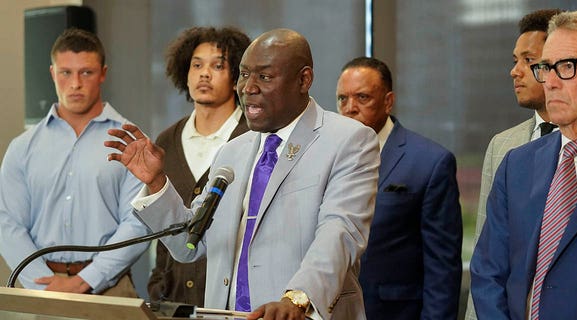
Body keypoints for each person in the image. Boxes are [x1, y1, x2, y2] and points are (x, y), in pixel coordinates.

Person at [105, 28, 379, 320]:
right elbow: (191, 244)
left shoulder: (348, 140)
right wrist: (157, 183)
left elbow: (340, 232)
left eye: (264, 76)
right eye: (244, 74)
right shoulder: (231, 152)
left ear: (304, 80)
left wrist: (297, 299)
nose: (248, 87)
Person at [471, 10, 577, 319]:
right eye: (545, 67)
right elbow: (487, 271)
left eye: (566, 66)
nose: (549, 81)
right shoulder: (516, 164)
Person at [0, 28, 148, 296]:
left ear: (102, 73)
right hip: (41, 289)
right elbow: (6, 222)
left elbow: (139, 221)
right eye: (66, 72)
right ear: (52, 73)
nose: (75, 83)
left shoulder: (131, 142)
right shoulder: (22, 147)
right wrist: (42, 282)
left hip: (110, 286)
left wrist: (86, 280)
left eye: (86, 72)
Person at [336, 56, 462, 319]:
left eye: (362, 98)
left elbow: (442, 268)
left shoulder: (430, 162)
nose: (350, 108)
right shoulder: (324, 158)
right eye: (342, 99)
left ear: (388, 101)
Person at [464, 9, 562, 319]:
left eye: (528, 61)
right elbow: (485, 252)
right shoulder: (502, 145)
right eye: (514, 60)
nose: (514, 71)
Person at [147, 26, 250, 307]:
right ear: (185, 72)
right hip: (172, 295)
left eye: (218, 65)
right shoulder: (167, 140)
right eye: (197, 65)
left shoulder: (252, 139)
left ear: (237, 78)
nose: (205, 73)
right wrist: (158, 283)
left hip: (230, 298)